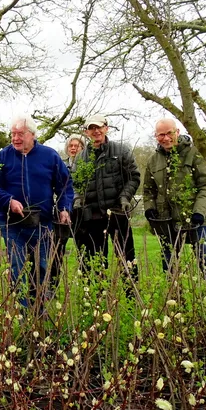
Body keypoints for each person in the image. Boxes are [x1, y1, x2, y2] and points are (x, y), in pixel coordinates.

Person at [0, 116, 73, 309]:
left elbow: (65, 186)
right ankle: (24, 312)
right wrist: (9, 200)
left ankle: (38, 312)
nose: (15, 138)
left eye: (20, 134)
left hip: (41, 223)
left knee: (40, 267)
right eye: (13, 134)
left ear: (32, 135)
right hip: (12, 223)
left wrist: (64, 208)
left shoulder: (50, 156)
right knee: (16, 267)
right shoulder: (3, 156)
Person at [143, 118, 206, 305]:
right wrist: (150, 209)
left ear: (177, 132)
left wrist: (199, 212)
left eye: (169, 133)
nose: (165, 138)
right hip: (167, 222)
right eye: (161, 134)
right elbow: (148, 190)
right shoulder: (153, 160)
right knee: (169, 266)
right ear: (156, 136)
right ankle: (177, 306)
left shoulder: (194, 154)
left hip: (196, 221)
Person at [73, 115, 141, 286]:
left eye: (99, 127)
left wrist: (125, 197)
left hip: (118, 213)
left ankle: (132, 296)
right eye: (91, 128)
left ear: (106, 128)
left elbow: (134, 177)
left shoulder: (121, 151)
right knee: (96, 261)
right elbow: (74, 184)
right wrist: (78, 199)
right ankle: (97, 302)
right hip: (93, 217)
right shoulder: (81, 158)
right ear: (86, 132)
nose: (96, 131)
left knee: (127, 258)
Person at [50, 134, 85, 288]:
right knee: (57, 249)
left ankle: (85, 284)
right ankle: (52, 284)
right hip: (63, 211)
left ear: (83, 148)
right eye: (70, 146)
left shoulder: (86, 166)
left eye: (77, 146)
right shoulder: (61, 165)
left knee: (83, 249)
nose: (73, 148)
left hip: (81, 212)